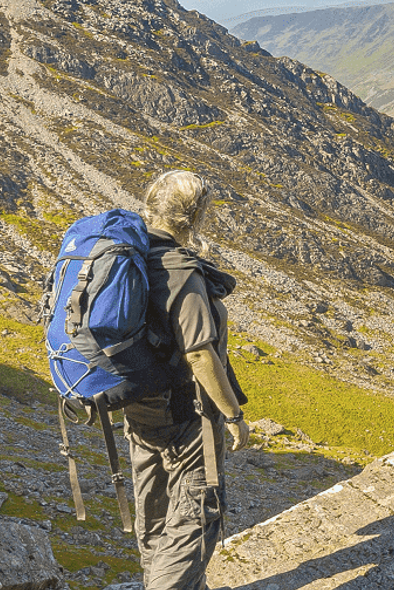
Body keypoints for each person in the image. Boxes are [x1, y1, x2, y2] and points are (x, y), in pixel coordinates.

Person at [122, 169, 250, 590]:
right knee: (198, 514)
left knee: (155, 512)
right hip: (185, 412)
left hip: (139, 407)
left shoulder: (133, 255)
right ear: (194, 215)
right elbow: (198, 351)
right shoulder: (181, 271)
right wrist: (232, 415)